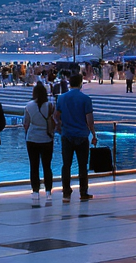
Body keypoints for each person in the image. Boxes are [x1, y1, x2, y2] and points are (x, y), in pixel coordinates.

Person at [54, 73, 95, 201]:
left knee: (66, 164)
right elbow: (89, 120)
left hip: (67, 135)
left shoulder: (61, 98)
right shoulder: (86, 99)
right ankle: (83, 192)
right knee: (83, 165)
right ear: (81, 83)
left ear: (69, 83)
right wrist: (93, 134)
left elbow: (55, 116)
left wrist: (59, 126)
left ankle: (66, 192)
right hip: (82, 135)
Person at [23, 83, 56, 203]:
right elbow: (54, 121)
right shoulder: (50, 106)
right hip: (47, 138)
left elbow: (26, 123)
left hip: (32, 138)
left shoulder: (28, 106)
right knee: (47, 166)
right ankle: (48, 191)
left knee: (34, 166)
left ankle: (35, 191)